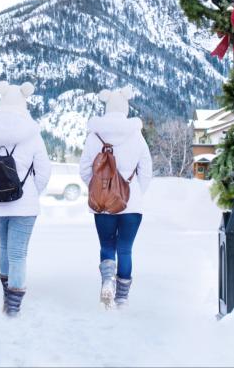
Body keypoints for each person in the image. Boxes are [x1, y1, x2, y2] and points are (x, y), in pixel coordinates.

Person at [0, 81, 52, 317]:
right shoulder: (33, 135)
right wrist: (30, 193)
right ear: (24, 103)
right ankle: (13, 307)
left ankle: (7, 297)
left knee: (5, 247)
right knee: (18, 253)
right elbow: (44, 172)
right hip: (24, 207)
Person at [79, 86, 152, 309]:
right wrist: (135, 192)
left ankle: (107, 281)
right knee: (125, 249)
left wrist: (101, 188)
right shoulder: (136, 136)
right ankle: (121, 298)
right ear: (126, 108)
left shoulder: (95, 136)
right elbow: (146, 172)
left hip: (102, 204)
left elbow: (84, 170)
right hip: (132, 204)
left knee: (107, 246)